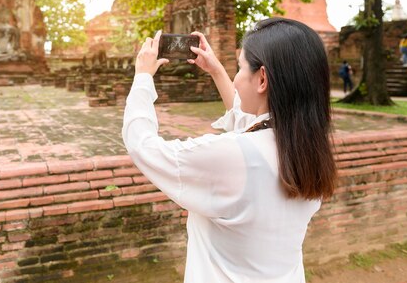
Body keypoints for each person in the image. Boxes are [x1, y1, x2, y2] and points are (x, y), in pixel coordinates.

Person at [123, 17, 337, 283]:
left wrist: (143, 77)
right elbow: (249, 122)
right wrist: (216, 71)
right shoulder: (307, 151)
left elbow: (143, 147)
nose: (235, 80)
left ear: (262, 79)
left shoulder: (230, 155)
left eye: (240, 68)